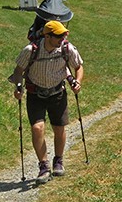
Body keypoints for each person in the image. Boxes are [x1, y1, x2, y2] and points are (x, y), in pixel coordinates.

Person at [10, 20, 84, 184]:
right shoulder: (31, 50)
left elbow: (78, 66)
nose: (62, 39)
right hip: (35, 93)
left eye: (64, 35)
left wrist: (77, 82)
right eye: (58, 36)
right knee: (37, 128)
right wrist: (18, 87)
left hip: (58, 93)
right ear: (47, 36)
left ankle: (58, 161)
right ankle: (43, 167)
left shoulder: (66, 48)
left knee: (59, 129)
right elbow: (18, 71)